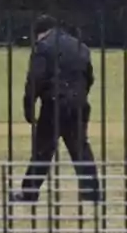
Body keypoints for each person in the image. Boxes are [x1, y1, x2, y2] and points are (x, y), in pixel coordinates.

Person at [12, 17, 102, 203]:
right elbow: (89, 77)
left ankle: (29, 192)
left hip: (54, 104)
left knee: (43, 150)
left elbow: (35, 79)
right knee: (80, 149)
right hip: (78, 104)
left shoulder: (43, 47)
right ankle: (91, 192)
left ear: (39, 33)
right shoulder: (80, 47)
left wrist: (29, 107)